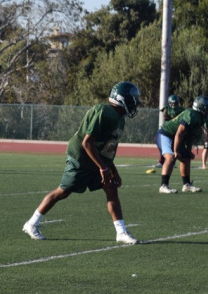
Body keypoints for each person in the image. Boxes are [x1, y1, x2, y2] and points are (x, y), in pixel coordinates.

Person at [22, 82, 141, 244]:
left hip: (97, 159)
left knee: (111, 188)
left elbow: (108, 148)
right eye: (133, 99)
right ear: (123, 100)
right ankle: (31, 223)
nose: (135, 103)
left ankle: (121, 232)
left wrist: (112, 169)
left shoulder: (120, 120)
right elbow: (87, 143)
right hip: (81, 158)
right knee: (62, 192)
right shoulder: (104, 111)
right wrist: (104, 168)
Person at [156, 96, 208, 194]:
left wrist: (189, 150)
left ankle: (186, 185)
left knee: (186, 158)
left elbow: (189, 136)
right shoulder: (191, 114)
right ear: (200, 107)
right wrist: (176, 151)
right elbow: (179, 133)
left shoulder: (200, 118)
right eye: (207, 108)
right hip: (166, 134)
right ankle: (163, 185)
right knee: (171, 157)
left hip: (175, 137)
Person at [155, 94, 183, 166]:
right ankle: (161, 161)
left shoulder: (181, 109)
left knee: (174, 146)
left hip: (176, 131)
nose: (173, 104)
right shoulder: (166, 109)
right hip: (167, 130)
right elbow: (165, 117)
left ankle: (172, 162)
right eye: (172, 103)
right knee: (164, 147)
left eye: (175, 103)